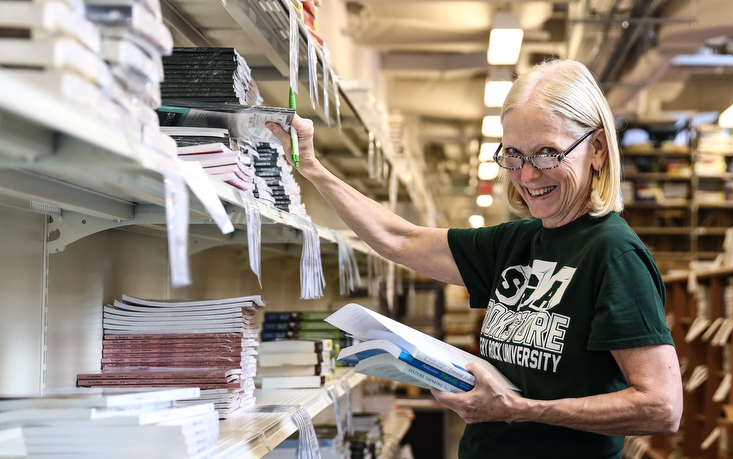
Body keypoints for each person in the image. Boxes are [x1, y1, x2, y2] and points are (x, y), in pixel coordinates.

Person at [266, 58, 683, 459]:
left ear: (597, 150)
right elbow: (400, 238)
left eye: (546, 153)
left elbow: (661, 407)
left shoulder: (614, 254)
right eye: (513, 155)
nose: (527, 175)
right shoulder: (514, 244)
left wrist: (519, 410)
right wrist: (313, 168)